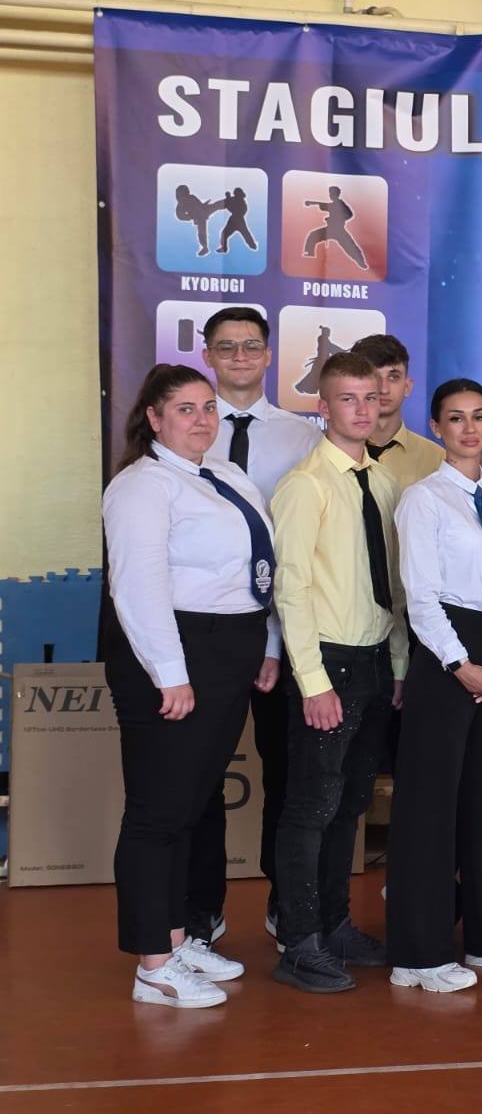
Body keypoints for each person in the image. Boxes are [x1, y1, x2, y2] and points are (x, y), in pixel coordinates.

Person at [102, 364, 279, 1007]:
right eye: (185, 409)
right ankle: (153, 964)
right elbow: (138, 585)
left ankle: (176, 939)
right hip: (174, 652)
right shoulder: (141, 486)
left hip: (228, 650)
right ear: (153, 418)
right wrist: (170, 675)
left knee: (193, 804)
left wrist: (266, 644)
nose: (202, 419)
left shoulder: (224, 474)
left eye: (208, 407)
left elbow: (257, 570)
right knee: (158, 812)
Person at [385, 381, 482, 992]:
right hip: (446, 655)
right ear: (436, 427)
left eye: (481, 417)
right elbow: (420, 597)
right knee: (431, 808)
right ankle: (418, 953)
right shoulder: (422, 499)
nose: (472, 429)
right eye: (457, 418)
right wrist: (459, 663)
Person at [269, 352, 408, 993]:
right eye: (347, 398)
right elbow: (290, 589)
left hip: (374, 659)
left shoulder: (380, 481)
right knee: (311, 806)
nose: (362, 409)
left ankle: (334, 925)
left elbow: (391, 587)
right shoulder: (306, 484)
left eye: (370, 397)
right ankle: (298, 941)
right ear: (323, 407)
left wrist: (397, 662)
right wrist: (313, 681)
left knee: (350, 804)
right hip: (328, 662)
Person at [194, 306, 320, 948]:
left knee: (286, 774)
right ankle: (201, 908)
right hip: (209, 632)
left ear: (270, 355)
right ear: (207, 355)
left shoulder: (302, 438)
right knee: (200, 774)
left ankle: (284, 902)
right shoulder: (189, 430)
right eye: (226, 346)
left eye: (250, 345)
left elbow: (304, 549)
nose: (239, 356)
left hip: (284, 636)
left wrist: (277, 642)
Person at [350, 333, 445, 494]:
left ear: (407, 387)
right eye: (373, 377)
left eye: (393, 377)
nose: (383, 389)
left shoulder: (437, 459)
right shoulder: (331, 454)